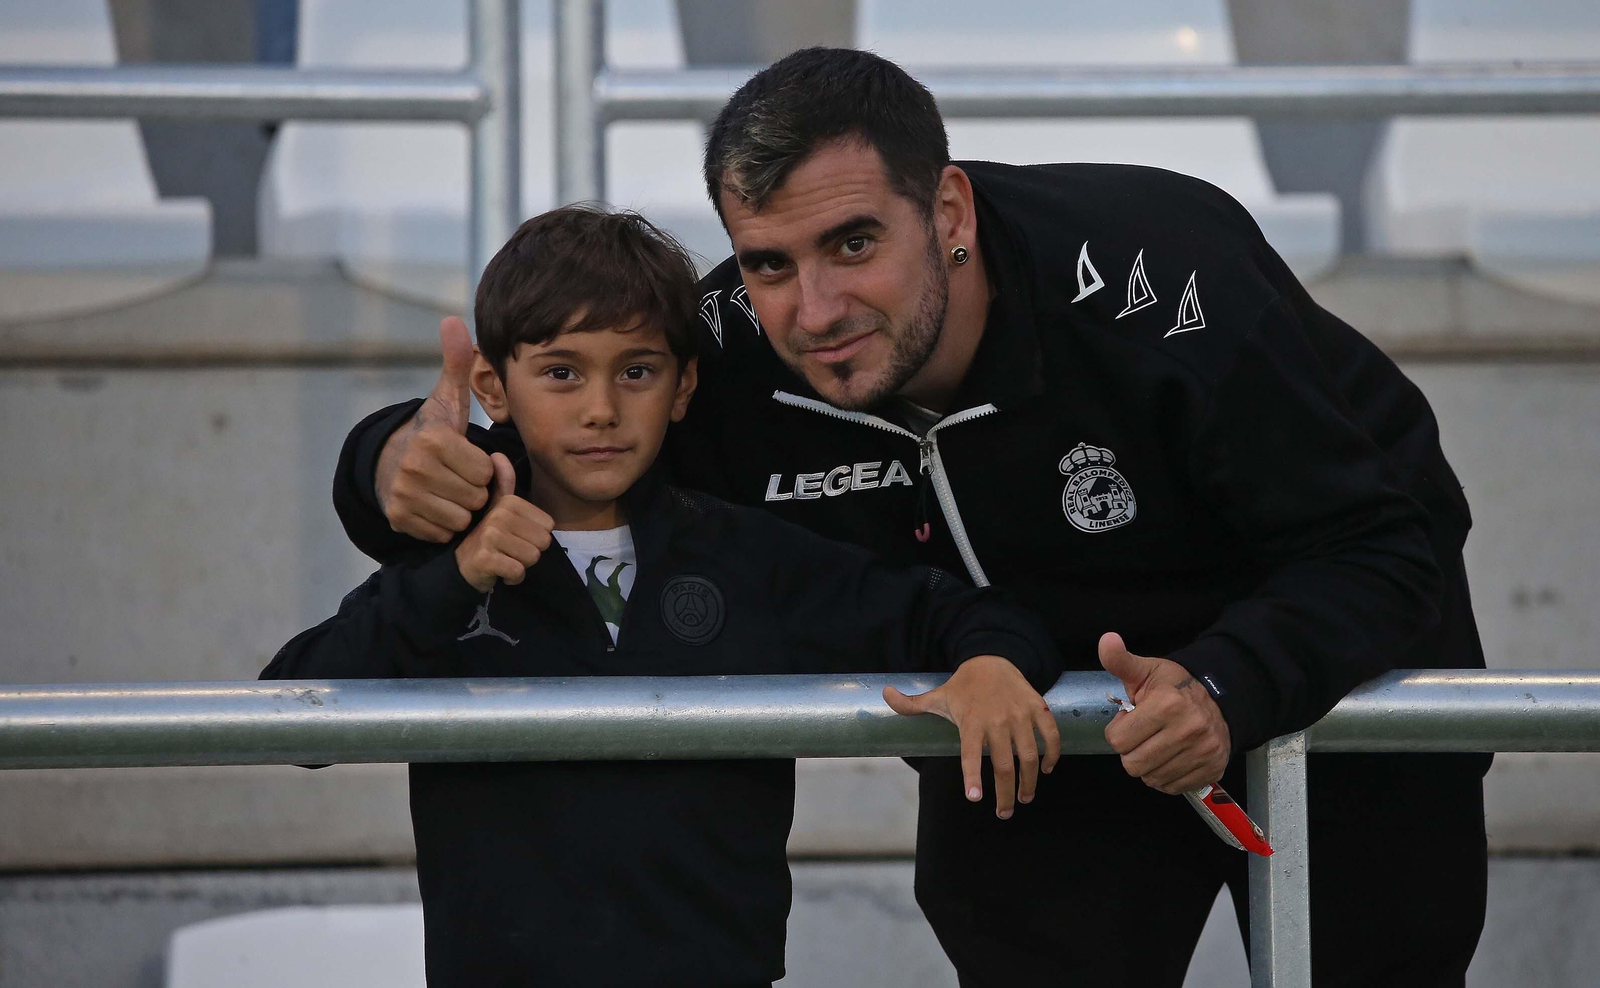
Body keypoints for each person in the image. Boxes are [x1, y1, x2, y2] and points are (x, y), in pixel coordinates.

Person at [330, 48, 1490, 988]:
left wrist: (1227, 682)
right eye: (769, 261)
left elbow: (1383, 543)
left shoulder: (1164, 277)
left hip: (1322, 683)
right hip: (1022, 722)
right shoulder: (733, 345)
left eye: (853, 245)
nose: (815, 309)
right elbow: (566, 454)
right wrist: (386, 462)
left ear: (946, 207)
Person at [264, 205, 1065, 987]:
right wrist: (457, 576)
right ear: (492, 385)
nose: (601, 409)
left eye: (637, 371)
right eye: (561, 372)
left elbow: (948, 609)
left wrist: (993, 662)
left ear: (683, 388)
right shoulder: (447, 566)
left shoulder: (747, 555)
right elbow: (292, 713)